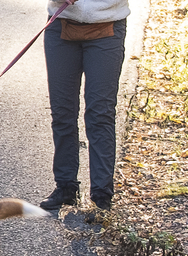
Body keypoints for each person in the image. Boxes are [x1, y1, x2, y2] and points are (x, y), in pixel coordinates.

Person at [39, 0, 131, 211]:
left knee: (100, 114)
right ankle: (65, 187)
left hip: (107, 28)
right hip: (60, 26)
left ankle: (101, 196)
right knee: (62, 113)